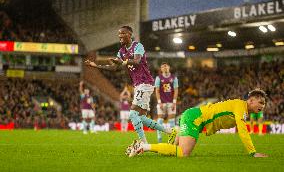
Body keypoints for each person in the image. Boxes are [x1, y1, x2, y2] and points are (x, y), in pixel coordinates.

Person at [85, 25, 176, 143]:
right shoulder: (121, 51)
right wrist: (95, 65)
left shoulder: (138, 46)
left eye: (122, 33)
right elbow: (114, 68)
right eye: (119, 34)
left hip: (145, 82)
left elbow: (137, 61)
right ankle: (170, 131)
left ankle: (143, 144)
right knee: (142, 117)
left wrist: (123, 62)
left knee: (133, 114)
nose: (120, 36)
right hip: (138, 85)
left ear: (130, 34)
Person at [127, 89, 268, 158]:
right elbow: (242, 130)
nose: (262, 106)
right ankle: (143, 146)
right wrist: (252, 152)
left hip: (196, 118)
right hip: (195, 118)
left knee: (170, 153)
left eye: (264, 104)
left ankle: (176, 132)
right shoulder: (240, 106)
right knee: (183, 153)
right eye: (260, 102)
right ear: (250, 100)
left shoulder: (241, 108)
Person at [155, 62, 179, 142]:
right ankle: (159, 138)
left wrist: (174, 102)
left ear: (169, 67)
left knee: (172, 121)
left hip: (171, 103)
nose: (165, 68)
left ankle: (171, 139)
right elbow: (157, 91)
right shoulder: (158, 78)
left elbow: (176, 90)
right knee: (160, 120)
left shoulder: (174, 78)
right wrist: (159, 102)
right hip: (162, 102)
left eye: (166, 66)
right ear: (161, 69)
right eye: (163, 67)